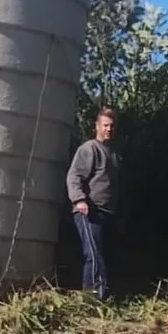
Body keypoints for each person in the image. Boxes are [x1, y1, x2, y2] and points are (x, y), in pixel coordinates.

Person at [66, 107, 122, 300]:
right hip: (89, 211)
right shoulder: (89, 149)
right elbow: (74, 176)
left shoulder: (114, 153)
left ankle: (95, 295)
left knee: (105, 255)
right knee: (93, 254)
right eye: (105, 125)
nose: (109, 129)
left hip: (108, 212)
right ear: (97, 126)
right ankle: (96, 296)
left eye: (112, 126)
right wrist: (79, 199)